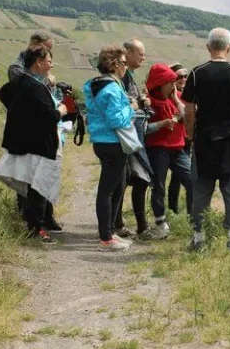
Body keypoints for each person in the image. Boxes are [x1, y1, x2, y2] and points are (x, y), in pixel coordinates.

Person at [182, 27, 230, 251]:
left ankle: (199, 237)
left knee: (201, 190)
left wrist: (190, 134)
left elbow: (188, 109)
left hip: (205, 140)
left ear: (209, 47)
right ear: (229, 47)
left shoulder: (197, 73)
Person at [0, 47, 69, 244]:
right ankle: (36, 230)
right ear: (38, 62)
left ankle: (32, 227)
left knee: (28, 184)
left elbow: (4, 96)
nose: (51, 65)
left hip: (21, 140)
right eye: (49, 61)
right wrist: (62, 110)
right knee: (38, 187)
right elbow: (48, 117)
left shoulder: (16, 84)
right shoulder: (35, 87)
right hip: (39, 144)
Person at [83, 45, 136, 252]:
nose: (125, 67)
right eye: (123, 62)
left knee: (118, 186)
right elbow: (117, 120)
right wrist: (133, 108)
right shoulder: (113, 88)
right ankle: (105, 238)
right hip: (113, 142)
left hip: (102, 140)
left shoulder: (94, 85)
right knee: (108, 190)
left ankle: (109, 231)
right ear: (114, 64)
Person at [145, 63, 193, 237]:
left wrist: (175, 99)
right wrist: (163, 124)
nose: (173, 86)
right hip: (158, 147)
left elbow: (185, 114)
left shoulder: (176, 97)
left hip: (177, 147)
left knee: (191, 180)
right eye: (169, 82)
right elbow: (142, 126)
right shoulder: (150, 101)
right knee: (159, 186)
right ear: (160, 83)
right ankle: (160, 222)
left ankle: (194, 220)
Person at [113, 39, 154, 238]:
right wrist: (140, 102)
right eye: (140, 53)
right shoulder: (121, 77)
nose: (143, 57)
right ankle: (122, 225)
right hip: (127, 136)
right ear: (127, 53)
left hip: (131, 135)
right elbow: (124, 103)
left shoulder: (128, 75)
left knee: (127, 179)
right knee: (135, 179)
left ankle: (118, 222)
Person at [167, 63, 189, 214]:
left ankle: (175, 209)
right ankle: (172, 209)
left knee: (179, 177)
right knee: (178, 178)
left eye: (185, 76)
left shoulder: (187, 94)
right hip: (174, 140)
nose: (183, 79)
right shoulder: (173, 96)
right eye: (179, 76)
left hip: (187, 139)